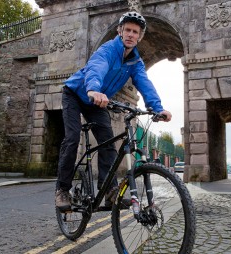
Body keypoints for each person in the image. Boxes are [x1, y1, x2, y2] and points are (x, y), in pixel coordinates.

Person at [55, 11, 172, 211]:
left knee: (108, 143)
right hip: (76, 94)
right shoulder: (108, 50)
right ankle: (62, 190)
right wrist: (93, 89)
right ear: (120, 31)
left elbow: (144, 83)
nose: (130, 34)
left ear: (140, 36)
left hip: (97, 103)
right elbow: (96, 68)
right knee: (72, 138)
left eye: (135, 32)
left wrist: (157, 108)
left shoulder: (136, 62)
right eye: (127, 29)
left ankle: (109, 191)